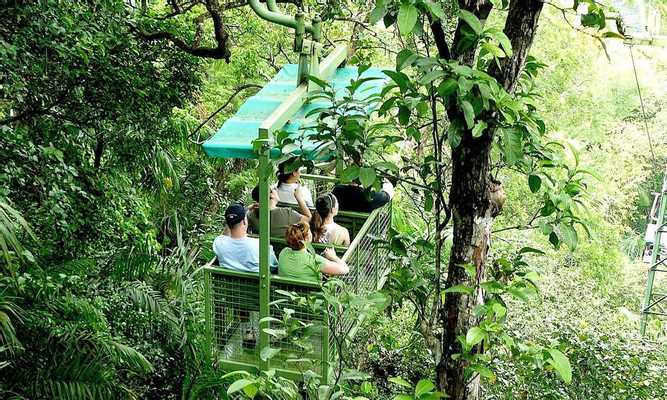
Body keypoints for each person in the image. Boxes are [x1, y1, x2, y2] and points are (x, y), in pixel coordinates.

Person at [213, 202, 278, 273]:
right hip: (256, 283)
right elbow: (274, 266)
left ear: (227, 223)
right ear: (244, 221)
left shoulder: (218, 243)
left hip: (227, 282)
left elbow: (225, 235)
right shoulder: (261, 246)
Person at [278, 222, 349, 283]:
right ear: (306, 239)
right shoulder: (314, 260)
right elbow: (345, 269)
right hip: (309, 298)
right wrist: (333, 257)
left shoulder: (283, 252)